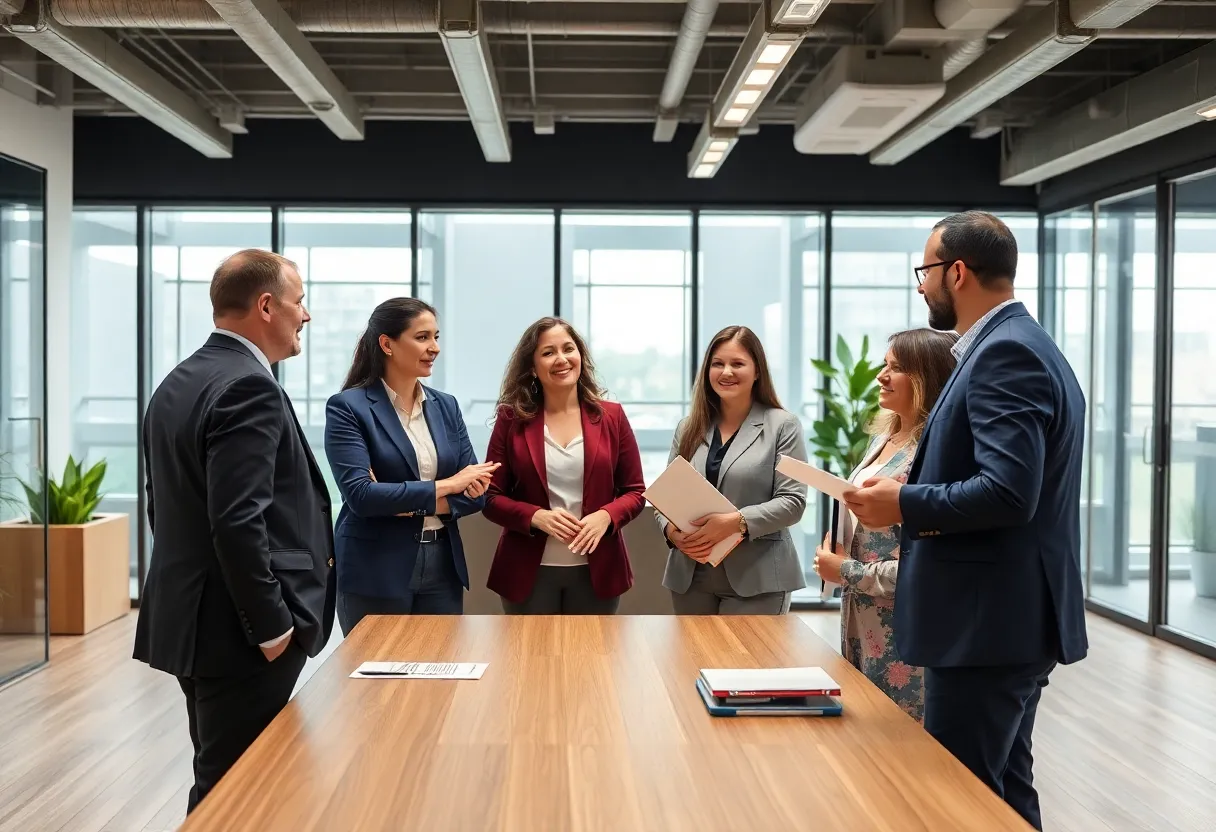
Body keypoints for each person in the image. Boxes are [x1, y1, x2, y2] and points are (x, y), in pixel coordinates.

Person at [845, 211, 1088, 830]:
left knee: (955, 804)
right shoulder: (1021, 344)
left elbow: (1009, 493)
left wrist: (905, 503)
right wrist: (910, 486)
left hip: (987, 627)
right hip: (1005, 621)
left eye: (924, 272)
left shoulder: (1004, 353)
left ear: (957, 272)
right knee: (1003, 794)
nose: (921, 286)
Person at [133, 249, 335, 814]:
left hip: (194, 621)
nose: (307, 316)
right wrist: (272, 627)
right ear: (267, 305)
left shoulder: (179, 380)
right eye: (300, 302)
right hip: (242, 634)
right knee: (237, 793)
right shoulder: (249, 385)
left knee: (224, 779)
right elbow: (236, 519)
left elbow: (164, 508)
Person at [323, 298, 498, 634]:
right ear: (387, 344)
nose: (434, 348)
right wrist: (447, 485)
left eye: (436, 337)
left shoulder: (446, 406)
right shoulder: (348, 408)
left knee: (440, 675)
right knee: (376, 678)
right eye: (422, 338)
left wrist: (400, 501)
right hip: (375, 566)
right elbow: (362, 497)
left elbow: (476, 492)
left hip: (442, 566)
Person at [813, 328, 957, 723]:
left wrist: (847, 571)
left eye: (896, 368)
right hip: (860, 618)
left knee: (900, 747)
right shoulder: (887, 438)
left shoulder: (935, 453)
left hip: (903, 629)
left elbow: (929, 563)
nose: (881, 376)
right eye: (885, 365)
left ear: (927, 377)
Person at [484, 318, 645, 613]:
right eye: (548, 352)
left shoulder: (612, 416)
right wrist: (536, 517)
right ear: (532, 366)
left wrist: (605, 517)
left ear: (580, 356)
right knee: (531, 658)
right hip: (527, 572)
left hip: (598, 570)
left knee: (593, 659)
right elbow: (490, 497)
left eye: (568, 349)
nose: (561, 359)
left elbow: (635, 492)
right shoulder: (510, 419)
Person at [658, 325, 808, 614]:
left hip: (758, 577)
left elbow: (794, 503)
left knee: (746, 661)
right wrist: (671, 533)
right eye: (718, 364)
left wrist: (735, 522)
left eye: (737, 363)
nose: (726, 372)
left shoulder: (783, 426)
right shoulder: (688, 428)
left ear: (757, 371)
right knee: (691, 660)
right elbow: (664, 501)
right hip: (691, 575)